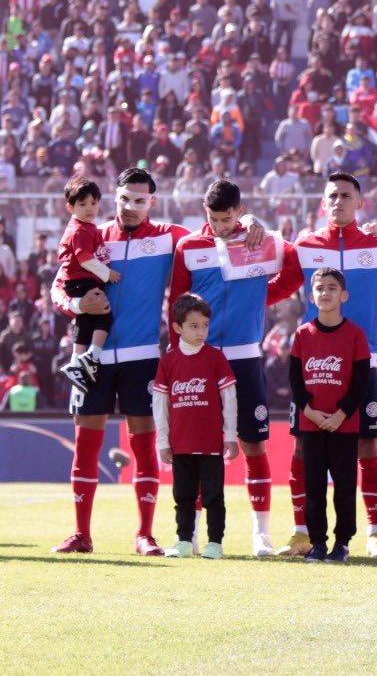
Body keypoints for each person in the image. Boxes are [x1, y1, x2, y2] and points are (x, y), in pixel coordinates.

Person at [52, 167, 255, 557]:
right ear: (114, 197)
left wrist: (248, 220)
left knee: (145, 447)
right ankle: (81, 535)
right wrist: (77, 304)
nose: (130, 207)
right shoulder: (92, 234)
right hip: (92, 358)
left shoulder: (169, 237)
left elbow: (214, 228)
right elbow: (57, 287)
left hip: (142, 358)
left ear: (153, 203)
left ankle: (144, 534)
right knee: (85, 445)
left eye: (139, 200)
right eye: (124, 198)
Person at [280, 173, 377, 558]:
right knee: (302, 447)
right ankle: (301, 533)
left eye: (347, 195)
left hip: (364, 362)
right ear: (323, 202)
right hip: (314, 363)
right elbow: (275, 289)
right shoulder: (306, 246)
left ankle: (375, 533)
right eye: (332, 195)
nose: (339, 201)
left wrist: (375, 312)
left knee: (367, 445)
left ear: (360, 203)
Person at [169, 179, 300, 557]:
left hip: (244, 355)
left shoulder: (258, 239)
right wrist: (176, 348)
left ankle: (261, 534)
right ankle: (189, 534)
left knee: (253, 443)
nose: (219, 227)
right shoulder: (189, 246)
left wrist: (259, 298)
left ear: (239, 211)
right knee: (194, 447)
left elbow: (293, 269)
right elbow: (176, 302)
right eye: (212, 218)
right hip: (199, 356)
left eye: (226, 219)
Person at [290, 268, 371, 563]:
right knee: (314, 488)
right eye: (320, 288)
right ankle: (318, 543)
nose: (326, 293)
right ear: (311, 296)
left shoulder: (355, 335)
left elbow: (361, 382)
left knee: (345, 487)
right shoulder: (302, 334)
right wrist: (308, 411)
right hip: (311, 424)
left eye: (332, 288)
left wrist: (341, 414)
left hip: (344, 425)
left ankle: (342, 543)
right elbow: (295, 381)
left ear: (344, 295)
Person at [154, 294, 239, 560]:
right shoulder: (168, 361)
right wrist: (163, 441)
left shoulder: (216, 357)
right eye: (193, 326)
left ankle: (215, 542)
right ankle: (184, 541)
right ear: (177, 327)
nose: (201, 331)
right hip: (180, 443)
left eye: (204, 325)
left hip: (210, 442)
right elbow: (160, 404)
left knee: (214, 495)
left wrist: (230, 435)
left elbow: (230, 399)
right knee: (183, 496)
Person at [57, 177, 120, 393]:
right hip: (82, 281)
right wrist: (107, 274)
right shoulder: (80, 230)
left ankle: (76, 362)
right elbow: (84, 258)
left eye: (93, 203)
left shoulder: (87, 227)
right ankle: (92, 356)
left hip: (77, 281)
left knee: (85, 321)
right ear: (70, 207)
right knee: (104, 314)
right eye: (82, 204)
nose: (89, 208)